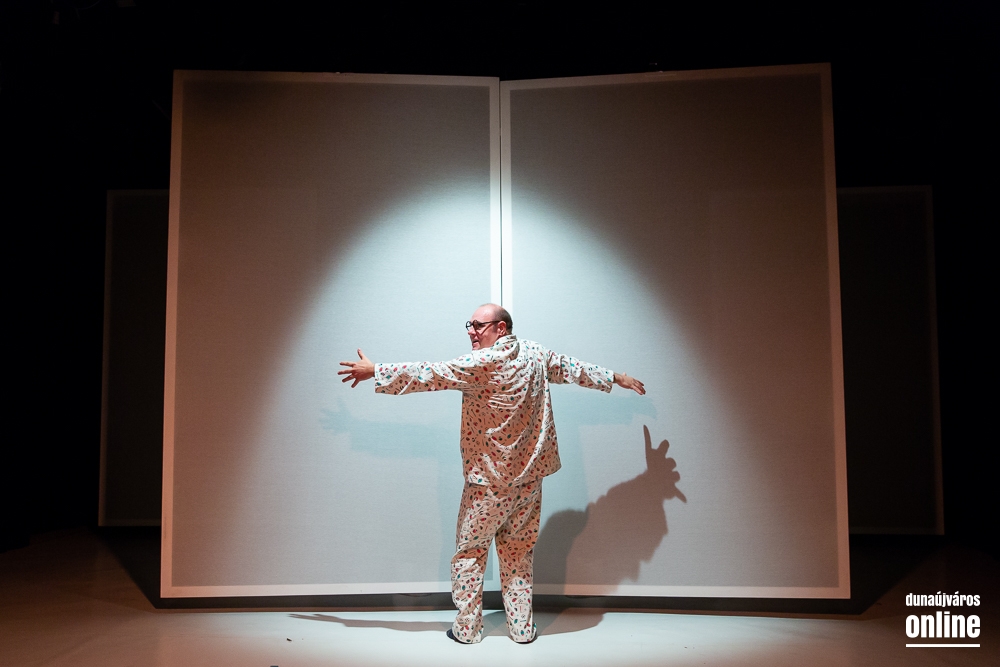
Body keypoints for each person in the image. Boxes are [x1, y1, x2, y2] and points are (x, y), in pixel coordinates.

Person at [339, 303, 645, 644]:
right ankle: (522, 630)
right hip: (529, 482)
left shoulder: (480, 364)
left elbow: (429, 373)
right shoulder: (535, 355)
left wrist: (376, 371)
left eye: (478, 325)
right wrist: (615, 377)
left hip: (488, 485)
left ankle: (467, 630)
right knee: (518, 555)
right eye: (469, 325)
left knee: (470, 554)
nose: (471, 331)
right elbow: (572, 368)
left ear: (501, 328)